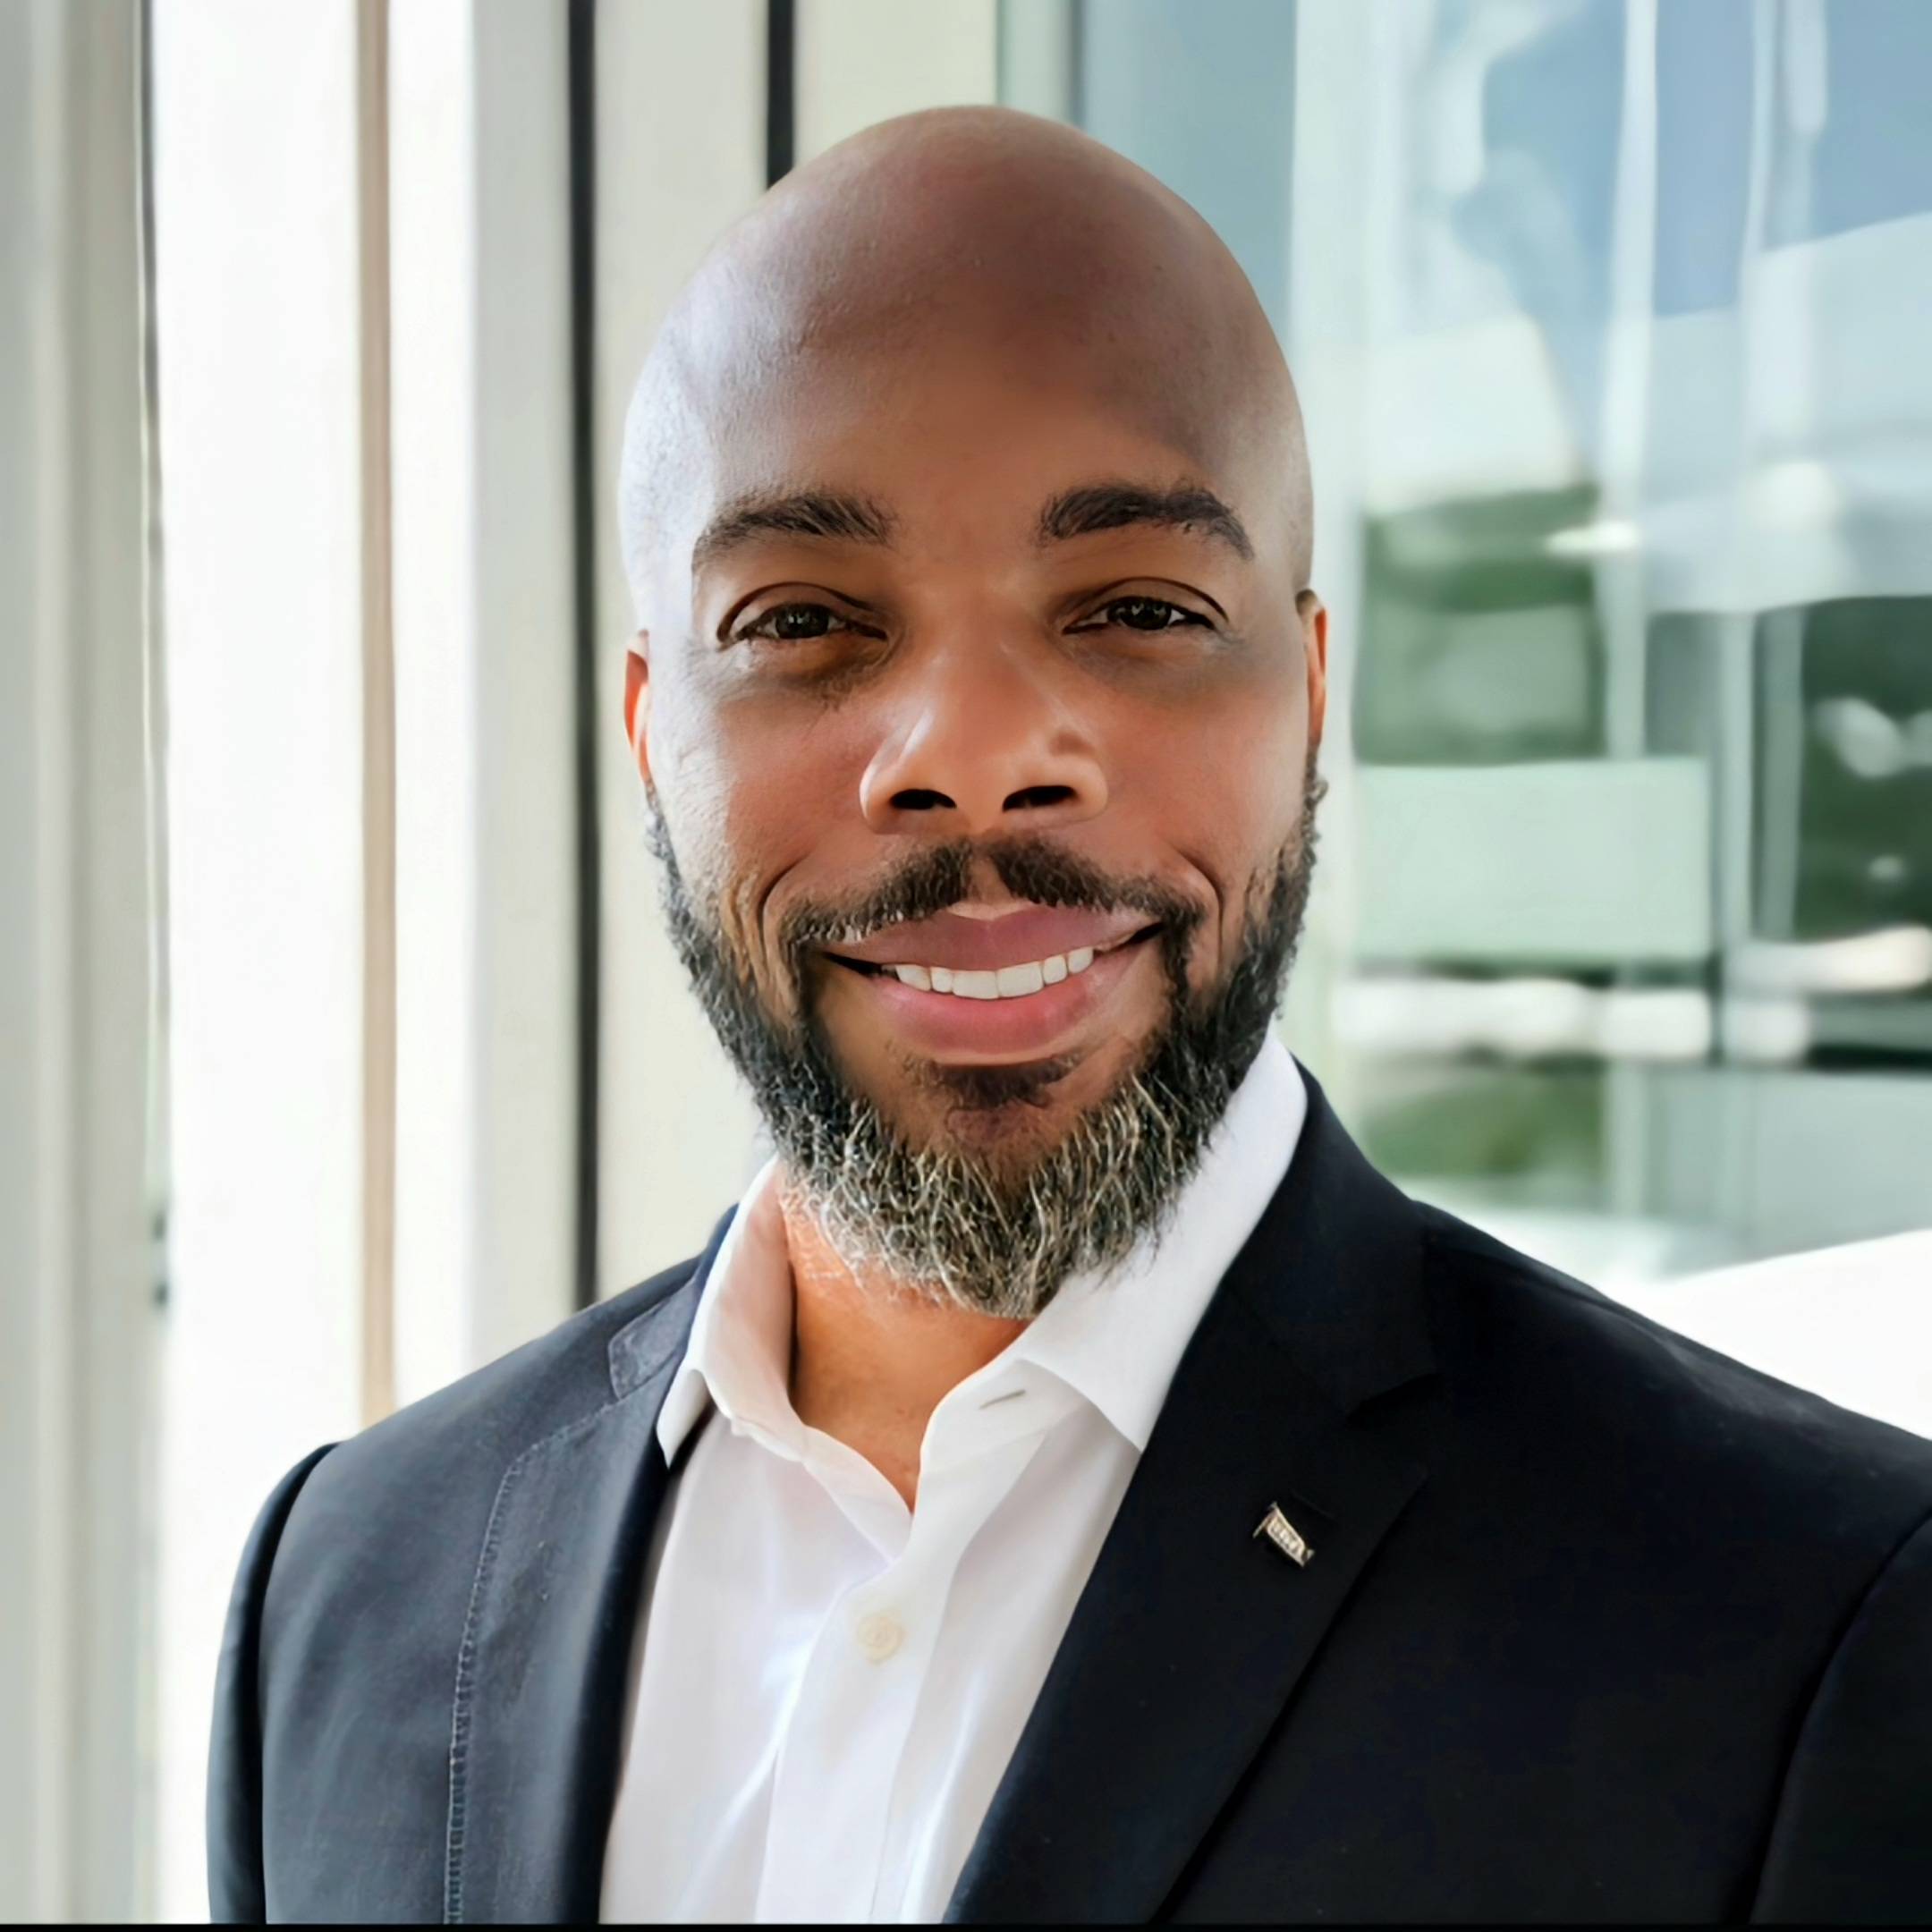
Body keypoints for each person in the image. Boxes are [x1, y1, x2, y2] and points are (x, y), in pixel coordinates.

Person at [208, 106, 1932, 1924]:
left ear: (1310, 691)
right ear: (654, 731)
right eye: (805, 620)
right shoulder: (344, 1586)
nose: (971, 756)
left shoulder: (1804, 1634)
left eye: (1132, 605)